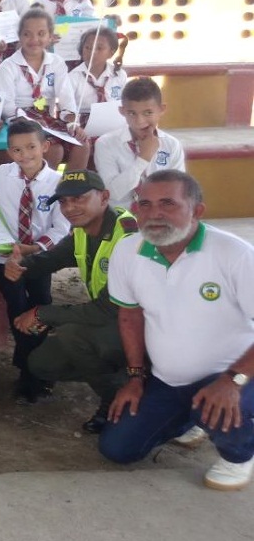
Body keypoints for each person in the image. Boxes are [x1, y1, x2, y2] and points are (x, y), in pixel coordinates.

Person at [100, 171, 254, 491]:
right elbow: (130, 316)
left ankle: (239, 455)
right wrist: (135, 377)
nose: (154, 213)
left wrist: (232, 381)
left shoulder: (235, 254)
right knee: (117, 449)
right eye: (145, 204)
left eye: (168, 204)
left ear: (197, 211)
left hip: (233, 376)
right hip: (168, 380)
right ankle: (194, 417)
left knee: (222, 400)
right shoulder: (128, 251)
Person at [4, 170, 137, 433]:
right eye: (63, 202)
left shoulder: (128, 237)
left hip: (143, 327)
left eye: (79, 198)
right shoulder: (83, 230)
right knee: (43, 363)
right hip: (116, 322)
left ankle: (116, 400)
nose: (70, 208)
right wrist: (20, 266)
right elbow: (51, 259)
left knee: (72, 336)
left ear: (104, 197)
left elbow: (109, 309)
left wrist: (43, 313)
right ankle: (125, 376)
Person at [0, 118, 70, 402]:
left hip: (39, 258)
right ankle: (31, 374)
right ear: (8, 152)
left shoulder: (56, 184)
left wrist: (35, 248)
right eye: (16, 150)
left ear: (46, 147)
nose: (24, 155)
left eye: (30, 147)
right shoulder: (3, 174)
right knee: (18, 309)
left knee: (40, 307)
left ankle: (35, 368)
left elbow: (61, 228)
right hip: (1, 257)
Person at [0, 9, 77, 170]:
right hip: (19, 119)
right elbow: (7, 105)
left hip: (47, 118)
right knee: (54, 149)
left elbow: (65, 95)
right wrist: (23, 119)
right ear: (19, 36)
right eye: (27, 34)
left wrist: (70, 118)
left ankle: (70, 192)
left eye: (41, 34)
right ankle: (43, 191)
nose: (34, 40)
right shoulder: (9, 66)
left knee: (82, 144)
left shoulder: (57, 62)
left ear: (50, 37)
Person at [93, 77, 185, 210]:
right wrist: (144, 158)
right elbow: (112, 193)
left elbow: (178, 190)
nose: (140, 121)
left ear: (161, 109)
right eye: (132, 113)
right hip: (120, 217)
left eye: (148, 113)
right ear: (122, 111)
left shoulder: (171, 145)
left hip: (161, 215)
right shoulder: (106, 143)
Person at [56, 26, 128, 131]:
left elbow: (126, 104)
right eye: (88, 48)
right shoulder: (73, 77)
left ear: (111, 53)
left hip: (113, 123)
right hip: (82, 123)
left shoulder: (119, 75)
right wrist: (75, 126)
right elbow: (67, 111)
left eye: (99, 48)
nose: (92, 52)